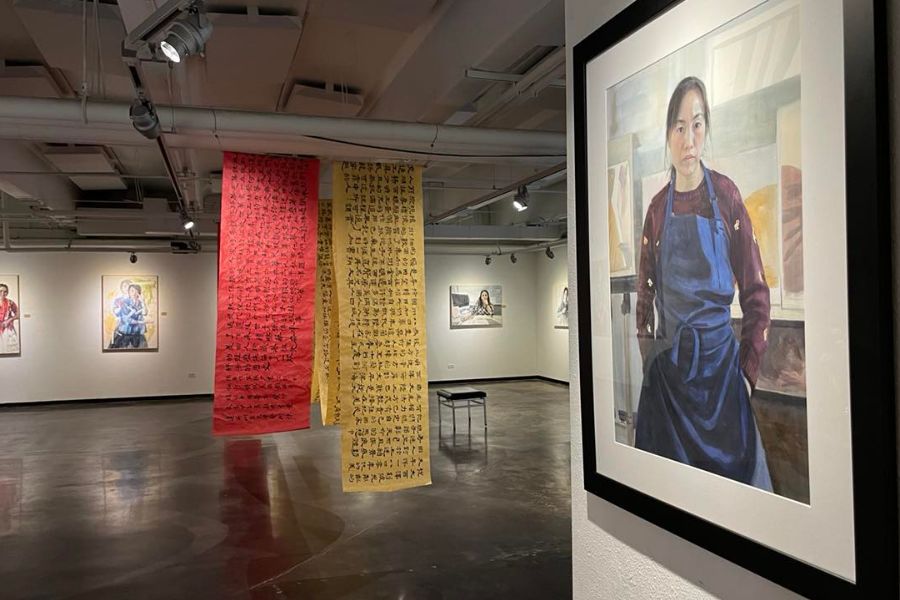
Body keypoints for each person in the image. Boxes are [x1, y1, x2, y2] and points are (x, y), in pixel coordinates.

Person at [634, 76, 773, 491]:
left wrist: (747, 373)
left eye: (696, 124)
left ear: (706, 128)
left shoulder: (727, 197)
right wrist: (653, 364)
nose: (688, 138)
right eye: (679, 127)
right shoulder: (657, 212)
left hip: (724, 383)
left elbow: (756, 295)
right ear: (667, 135)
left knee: (739, 506)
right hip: (671, 389)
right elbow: (644, 301)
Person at [109, 283, 151, 349]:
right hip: (125, 332)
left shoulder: (140, 303)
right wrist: (141, 322)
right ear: (129, 292)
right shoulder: (125, 302)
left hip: (137, 332)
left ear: (139, 293)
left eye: (136, 291)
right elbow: (126, 319)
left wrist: (143, 302)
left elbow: (145, 313)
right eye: (132, 291)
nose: (134, 293)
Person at [0, 283, 19, 354]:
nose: (2, 293)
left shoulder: (10, 303)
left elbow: (18, 314)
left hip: (8, 329)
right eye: (0, 291)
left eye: (5, 291)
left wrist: (10, 320)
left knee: (8, 349)